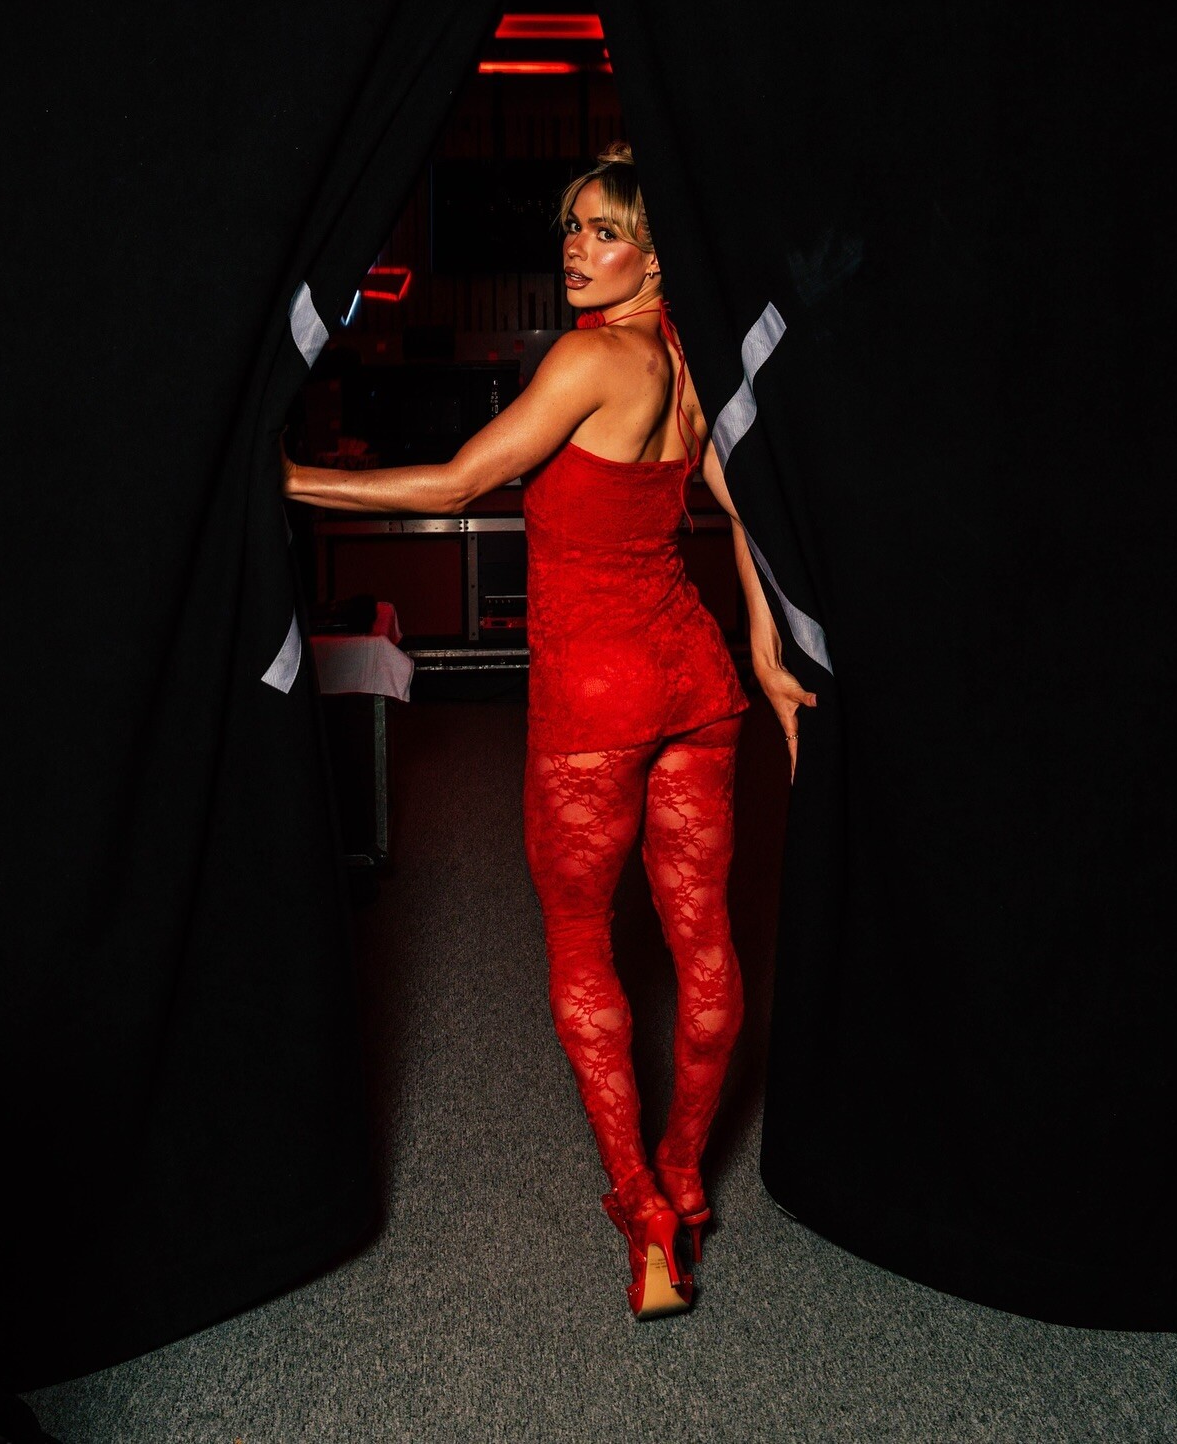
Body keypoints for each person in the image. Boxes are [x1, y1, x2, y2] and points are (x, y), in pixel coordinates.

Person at [281, 143, 816, 1318]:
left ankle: (645, 1214)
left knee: (581, 943)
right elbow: (743, 509)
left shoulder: (592, 357)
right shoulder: (689, 360)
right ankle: (687, 1177)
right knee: (707, 945)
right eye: (572, 226)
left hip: (595, 697)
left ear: (654, 258)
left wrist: (287, 480)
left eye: (604, 231)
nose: (576, 246)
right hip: (695, 678)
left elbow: (457, 482)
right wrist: (765, 648)